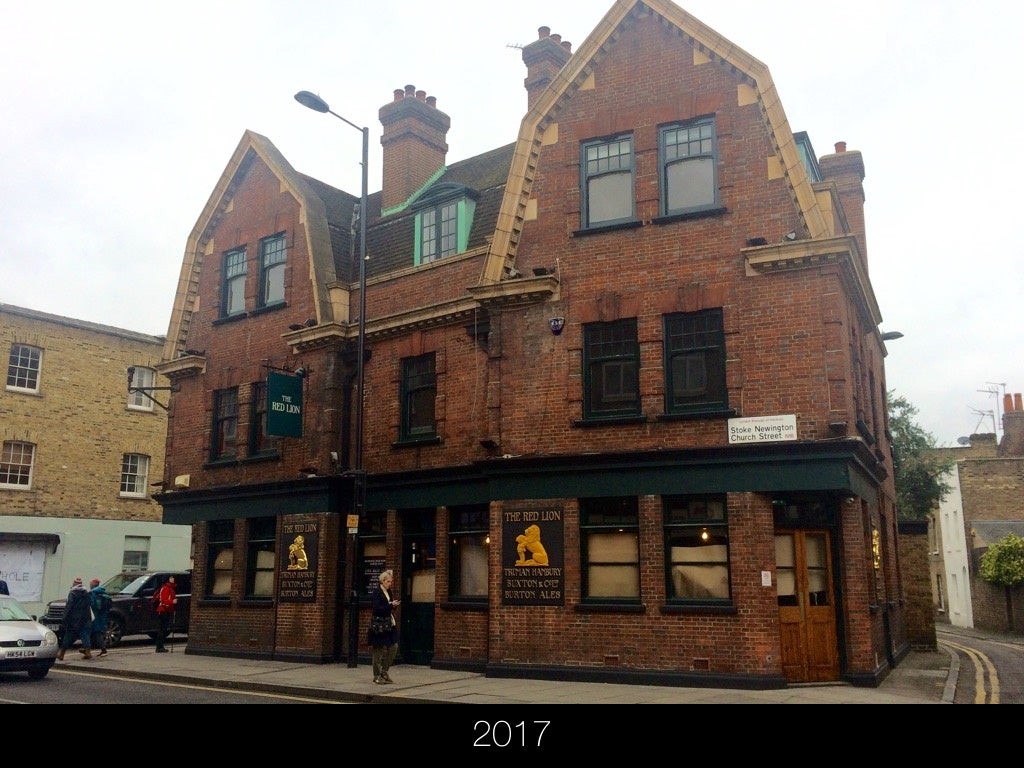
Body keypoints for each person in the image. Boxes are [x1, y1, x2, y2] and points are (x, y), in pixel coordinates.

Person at [368, 569, 399, 684]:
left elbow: (388, 606)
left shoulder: (388, 591)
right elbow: (377, 608)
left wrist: (393, 605)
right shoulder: (377, 592)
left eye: (391, 581)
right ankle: (376, 675)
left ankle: (384, 671)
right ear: (383, 581)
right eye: (388, 581)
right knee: (378, 650)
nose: (390, 584)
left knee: (394, 646)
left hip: (389, 624)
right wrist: (390, 606)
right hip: (379, 625)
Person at [57, 577, 92, 660]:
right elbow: (88, 605)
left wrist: (64, 617)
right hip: (84, 618)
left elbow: (69, 606)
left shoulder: (72, 593)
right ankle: (88, 652)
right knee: (84, 635)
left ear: (74, 584)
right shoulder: (85, 593)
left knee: (68, 635)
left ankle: (62, 654)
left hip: (73, 619)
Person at [154, 575, 177, 653]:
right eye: (171, 578)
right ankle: (159, 646)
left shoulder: (171, 588)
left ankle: (161, 646)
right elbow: (163, 600)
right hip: (163, 610)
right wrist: (172, 602)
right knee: (162, 629)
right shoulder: (165, 588)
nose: (173, 579)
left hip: (168, 610)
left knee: (164, 629)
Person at [89, 577, 111, 657]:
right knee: (98, 632)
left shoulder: (93, 593)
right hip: (103, 616)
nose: (90, 585)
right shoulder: (104, 594)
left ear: (94, 584)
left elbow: (92, 604)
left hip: (95, 615)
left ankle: (103, 649)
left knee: (96, 633)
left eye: (91, 583)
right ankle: (88, 649)